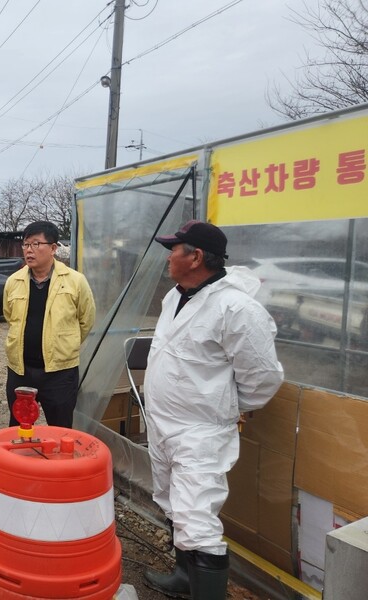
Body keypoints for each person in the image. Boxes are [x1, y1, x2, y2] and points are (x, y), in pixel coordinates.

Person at [143, 220, 284, 600]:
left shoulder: (236, 308)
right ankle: (183, 579)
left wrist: (226, 408)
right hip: (164, 425)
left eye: (175, 249)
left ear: (196, 257)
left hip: (200, 432)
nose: (169, 256)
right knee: (174, 506)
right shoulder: (175, 296)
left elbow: (263, 376)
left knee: (198, 521)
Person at [3, 220, 96, 428]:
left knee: (61, 427)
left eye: (36, 244)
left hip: (60, 372)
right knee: (20, 427)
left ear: (53, 248)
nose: (29, 250)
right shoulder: (14, 281)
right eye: (26, 244)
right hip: (21, 370)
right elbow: (9, 317)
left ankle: (58, 462)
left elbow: (86, 320)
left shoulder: (75, 281)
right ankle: (22, 461)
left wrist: (64, 344)